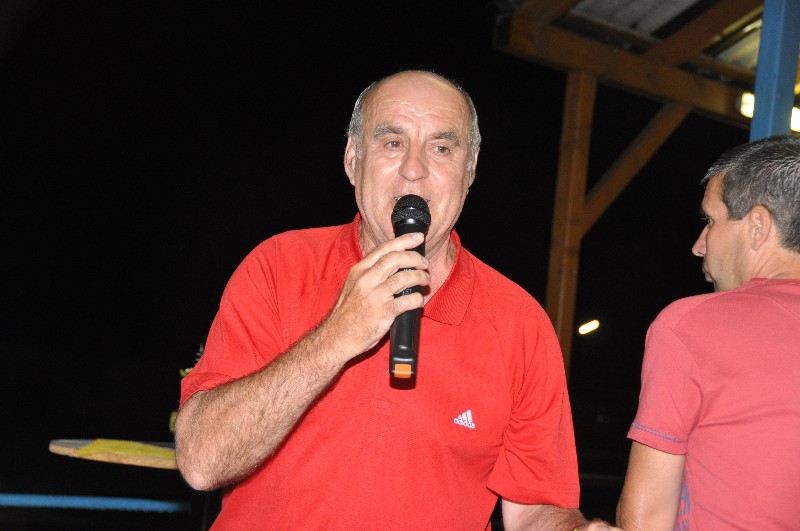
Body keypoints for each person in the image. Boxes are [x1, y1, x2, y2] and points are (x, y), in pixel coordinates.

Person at [175, 69, 616, 530]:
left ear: (470, 170)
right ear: (352, 159)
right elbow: (202, 462)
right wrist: (336, 336)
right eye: (392, 143)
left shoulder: (520, 323)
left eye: (441, 148)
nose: (413, 168)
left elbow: (535, 509)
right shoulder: (277, 267)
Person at [616, 134, 800, 529]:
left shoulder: (689, 325)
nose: (699, 246)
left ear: (757, 227)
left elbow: (646, 519)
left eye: (711, 222)